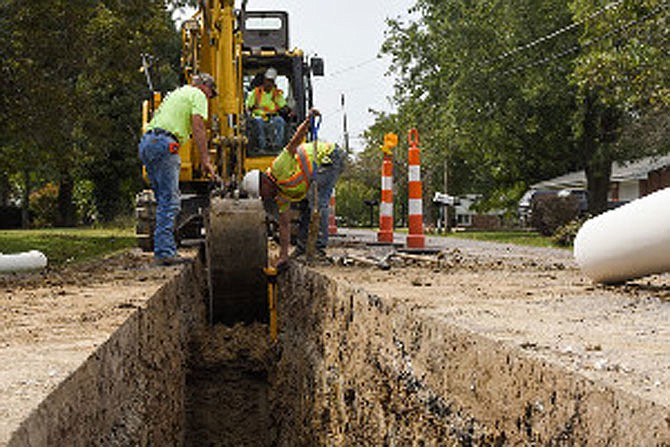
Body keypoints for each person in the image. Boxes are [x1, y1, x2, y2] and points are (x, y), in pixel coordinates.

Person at [241, 108, 345, 267]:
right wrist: (284, 255)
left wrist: (307, 120)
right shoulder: (280, 195)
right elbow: (284, 224)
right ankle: (302, 248)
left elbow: (294, 141)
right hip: (315, 171)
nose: (264, 197)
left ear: (264, 183)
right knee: (305, 207)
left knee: (318, 202)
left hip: (328, 158)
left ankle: (318, 249)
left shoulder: (278, 167)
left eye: (262, 194)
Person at [138, 73, 217, 266]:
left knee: (162, 201)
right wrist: (206, 159)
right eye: (210, 94)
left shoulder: (176, 93)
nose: (209, 98)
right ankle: (165, 253)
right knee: (171, 201)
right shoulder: (197, 95)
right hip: (166, 144)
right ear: (205, 87)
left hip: (148, 143)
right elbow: (198, 126)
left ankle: (162, 249)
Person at [245, 67, 291, 150]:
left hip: (272, 118)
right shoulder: (255, 93)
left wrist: (287, 110)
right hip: (258, 117)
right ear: (264, 81)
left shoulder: (276, 94)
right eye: (268, 81)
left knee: (280, 121)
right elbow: (248, 107)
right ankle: (262, 146)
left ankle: (277, 146)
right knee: (258, 122)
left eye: (271, 82)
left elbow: (284, 106)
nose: (269, 84)